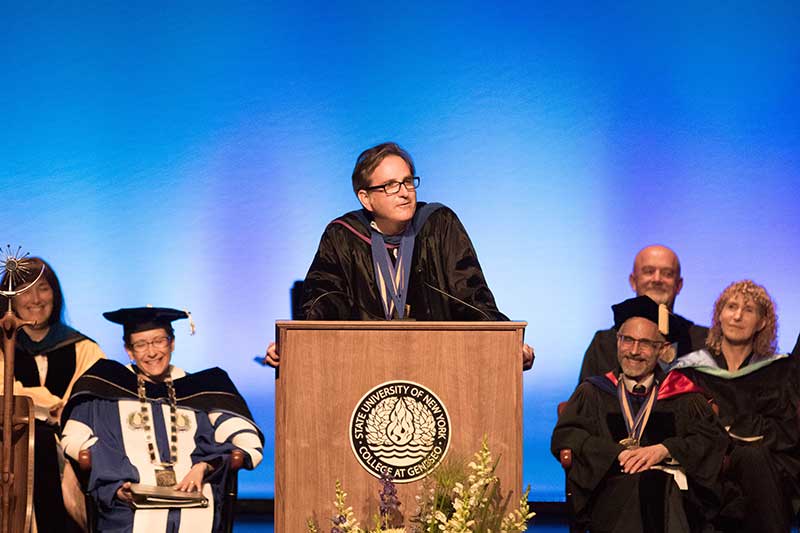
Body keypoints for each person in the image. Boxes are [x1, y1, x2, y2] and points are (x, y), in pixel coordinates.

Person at [265, 142, 533, 369]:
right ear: (365, 198)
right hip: (362, 366)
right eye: (390, 185)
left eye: (407, 181)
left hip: (439, 364)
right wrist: (292, 345)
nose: (404, 192)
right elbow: (323, 301)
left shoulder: (438, 226)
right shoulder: (342, 237)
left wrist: (507, 343)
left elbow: (471, 296)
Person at [60, 307, 263, 532]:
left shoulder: (202, 389)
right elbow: (75, 439)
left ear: (172, 343)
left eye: (159, 341)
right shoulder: (106, 389)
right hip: (129, 504)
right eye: (141, 344)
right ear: (129, 350)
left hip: (194, 496)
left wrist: (203, 467)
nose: (152, 352)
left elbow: (244, 443)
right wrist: (115, 485)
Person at [552, 295, 727, 532]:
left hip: (676, 499)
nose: (634, 351)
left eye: (645, 343)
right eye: (627, 340)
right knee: (650, 485)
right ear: (617, 341)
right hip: (611, 498)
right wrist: (617, 454)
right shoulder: (593, 393)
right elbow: (566, 436)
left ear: (662, 350)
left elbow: (713, 440)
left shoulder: (684, 394)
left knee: (658, 485)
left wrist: (665, 450)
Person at [667, 280, 800, 533]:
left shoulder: (779, 370)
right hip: (706, 463)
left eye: (748, 310)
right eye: (731, 307)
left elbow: (786, 431)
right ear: (720, 315)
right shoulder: (693, 369)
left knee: (753, 457)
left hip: (766, 467)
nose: (737, 316)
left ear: (762, 322)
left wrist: (730, 429)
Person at [0, 256, 106, 532]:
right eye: (24, 289)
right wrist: (51, 405)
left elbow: (93, 394)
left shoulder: (84, 348)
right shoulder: (3, 346)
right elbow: (4, 391)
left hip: (65, 453)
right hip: (8, 448)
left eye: (43, 288)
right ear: (10, 297)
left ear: (55, 294)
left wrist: (67, 409)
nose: (35, 298)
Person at [578, 245, 708, 382]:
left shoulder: (703, 342)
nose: (657, 279)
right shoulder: (603, 345)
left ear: (679, 285)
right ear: (633, 281)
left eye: (667, 273)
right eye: (648, 271)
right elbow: (586, 401)